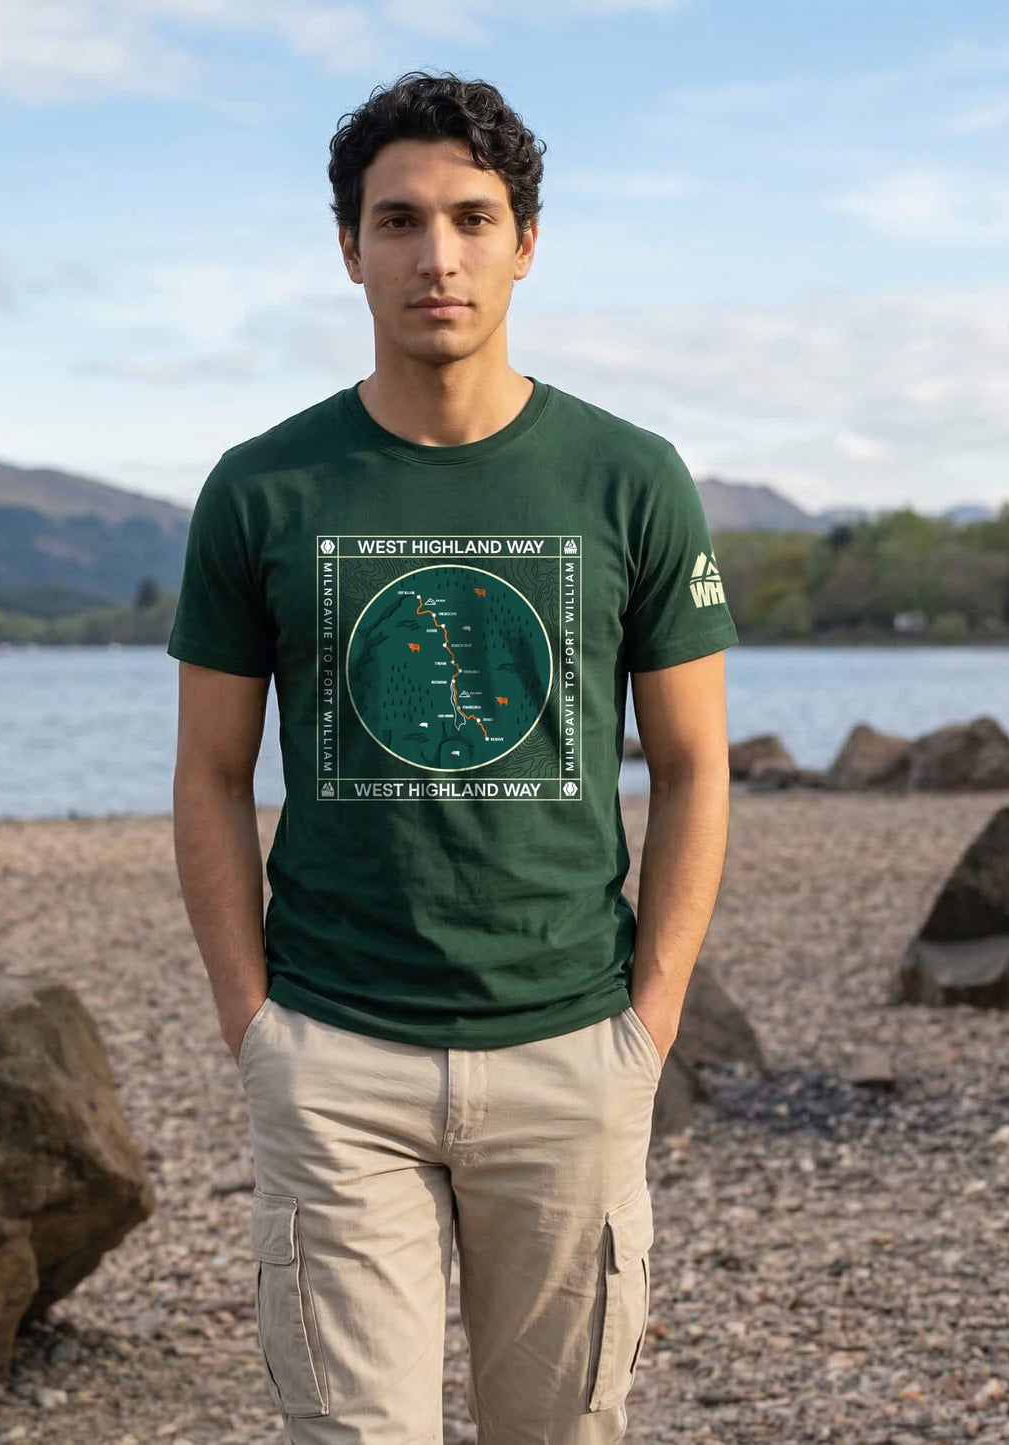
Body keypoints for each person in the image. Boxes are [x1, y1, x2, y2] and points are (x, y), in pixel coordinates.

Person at [168, 70, 736, 1444]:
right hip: (336, 1057)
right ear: (348, 247)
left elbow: (695, 762)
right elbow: (206, 774)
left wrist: (645, 1023)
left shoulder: (627, 476)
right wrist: (258, 1029)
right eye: (399, 220)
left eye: (473, 219)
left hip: (568, 1049)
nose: (437, 256)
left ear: (524, 241)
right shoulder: (264, 486)